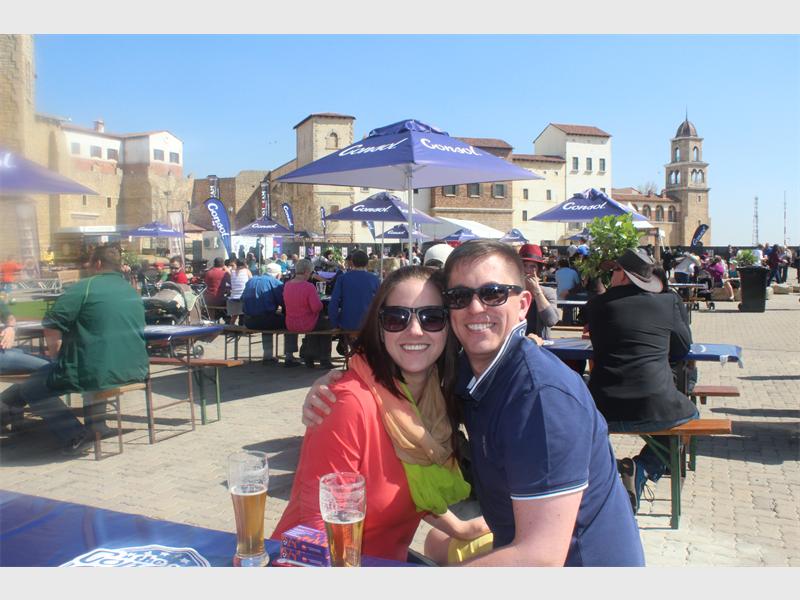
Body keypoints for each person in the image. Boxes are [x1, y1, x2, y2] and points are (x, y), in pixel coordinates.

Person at [304, 241, 645, 566]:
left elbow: (540, 558)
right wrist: (337, 382)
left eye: (493, 294)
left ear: (523, 304)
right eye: (460, 297)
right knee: (438, 542)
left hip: (573, 567)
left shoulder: (540, 400)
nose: (475, 308)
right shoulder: (465, 375)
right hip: (511, 540)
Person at [272, 266, 489, 563]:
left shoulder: (433, 402)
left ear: (449, 327)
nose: (415, 330)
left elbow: (409, 487)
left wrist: (460, 528)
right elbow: (316, 524)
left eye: (432, 317)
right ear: (380, 328)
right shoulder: (347, 404)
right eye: (397, 318)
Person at [0, 245, 149, 455]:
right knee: (38, 377)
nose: (86, 265)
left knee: (32, 388)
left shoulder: (85, 287)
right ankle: (97, 426)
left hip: (98, 370)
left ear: (98, 263)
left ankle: (75, 435)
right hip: (136, 368)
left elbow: (51, 324)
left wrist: (57, 356)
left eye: (89, 261)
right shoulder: (130, 290)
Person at [584, 248, 697, 513]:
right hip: (655, 405)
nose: (610, 275)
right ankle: (642, 468)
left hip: (603, 406)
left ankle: (609, 476)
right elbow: (682, 347)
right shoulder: (667, 303)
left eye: (614, 270)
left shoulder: (597, 305)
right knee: (691, 418)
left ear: (624, 275)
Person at [283, 259, 333, 369]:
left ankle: (309, 356)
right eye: (311, 272)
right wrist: (320, 302)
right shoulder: (309, 287)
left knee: (317, 325)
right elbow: (316, 308)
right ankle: (324, 359)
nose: (311, 275)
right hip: (306, 323)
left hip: (291, 323)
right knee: (326, 325)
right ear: (306, 272)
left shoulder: (287, 285)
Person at [241, 263, 285, 365]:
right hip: (266, 321)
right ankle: (289, 356)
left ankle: (268, 355)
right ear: (278, 274)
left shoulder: (251, 280)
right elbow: (284, 302)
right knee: (291, 321)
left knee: (267, 319)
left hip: (248, 321)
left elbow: (242, 299)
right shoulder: (276, 282)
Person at [327, 250, 379, 333]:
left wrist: (334, 323)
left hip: (347, 323)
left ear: (352, 262)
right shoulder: (374, 279)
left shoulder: (342, 278)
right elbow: (380, 302)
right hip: (368, 323)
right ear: (367, 263)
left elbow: (334, 302)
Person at [517, 244, 559, 342]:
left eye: (532, 266)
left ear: (539, 270)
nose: (527, 270)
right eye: (524, 265)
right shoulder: (511, 292)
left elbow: (551, 320)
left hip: (539, 345)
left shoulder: (548, 292)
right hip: (514, 345)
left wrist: (537, 291)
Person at [227, 258, 253, 326]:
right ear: (245, 264)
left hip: (233, 298)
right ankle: (243, 326)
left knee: (234, 315)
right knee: (246, 312)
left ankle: (231, 327)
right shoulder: (247, 271)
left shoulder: (232, 271)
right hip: (244, 297)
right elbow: (252, 282)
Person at [204, 257, 230, 322]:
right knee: (229, 303)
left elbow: (207, 284)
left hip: (208, 300)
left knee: (212, 309)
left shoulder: (208, 273)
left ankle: (212, 320)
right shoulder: (224, 273)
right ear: (223, 265)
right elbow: (232, 283)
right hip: (219, 300)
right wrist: (228, 271)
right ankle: (228, 321)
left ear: (214, 263)